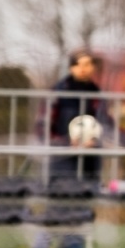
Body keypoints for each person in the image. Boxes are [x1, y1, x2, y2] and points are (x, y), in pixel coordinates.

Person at [49, 50, 112, 182]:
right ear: (71, 67)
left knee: (87, 196)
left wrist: (95, 140)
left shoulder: (97, 94)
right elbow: (44, 126)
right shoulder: (58, 92)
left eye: (87, 64)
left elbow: (106, 124)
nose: (82, 68)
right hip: (63, 160)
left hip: (90, 160)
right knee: (62, 196)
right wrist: (66, 142)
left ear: (93, 67)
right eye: (78, 64)